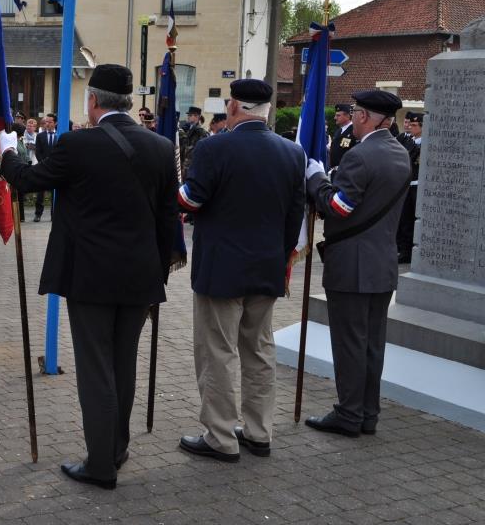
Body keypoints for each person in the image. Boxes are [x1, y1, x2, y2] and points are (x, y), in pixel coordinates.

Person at [0, 63, 179, 490]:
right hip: (139, 277)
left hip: (91, 277)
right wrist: (158, 273)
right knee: (123, 365)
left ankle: (101, 464)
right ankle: (116, 447)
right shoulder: (159, 146)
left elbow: (26, 181)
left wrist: (7, 150)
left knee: (96, 369)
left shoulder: (78, 144)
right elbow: (168, 218)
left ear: (93, 101)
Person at [175, 79, 306, 462]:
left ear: (234, 107)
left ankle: (220, 436)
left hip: (222, 269)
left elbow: (192, 200)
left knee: (218, 352)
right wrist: (279, 255)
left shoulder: (215, 147)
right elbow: (294, 214)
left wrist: (171, 189)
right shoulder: (292, 152)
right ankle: (259, 431)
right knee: (260, 351)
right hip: (267, 266)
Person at [304, 90, 410, 437]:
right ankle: (367, 414)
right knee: (371, 344)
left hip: (352, 265)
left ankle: (348, 414)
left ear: (364, 116)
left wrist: (317, 179)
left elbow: (340, 208)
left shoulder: (362, 155)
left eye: (356, 115)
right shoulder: (399, 152)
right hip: (381, 265)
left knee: (350, 343)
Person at [396, 113, 422, 263]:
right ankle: (404, 250)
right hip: (406, 184)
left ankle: (412, 250)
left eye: (414, 125)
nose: (410, 127)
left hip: (417, 185)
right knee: (404, 219)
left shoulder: (424, 144)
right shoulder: (408, 141)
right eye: (410, 125)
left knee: (414, 219)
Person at [33, 113, 58, 222]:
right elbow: (38, 152)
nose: (47, 124)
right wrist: (44, 164)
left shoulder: (60, 135)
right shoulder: (40, 136)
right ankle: (38, 214)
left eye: (49, 122)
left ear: (55, 123)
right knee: (40, 192)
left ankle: (54, 215)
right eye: (46, 122)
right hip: (43, 168)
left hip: (56, 169)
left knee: (55, 193)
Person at [179, 106, 209, 176]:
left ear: (197, 117)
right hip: (184, 165)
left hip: (193, 167)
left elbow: (201, 149)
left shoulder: (201, 131)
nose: (188, 117)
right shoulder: (187, 129)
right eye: (188, 115)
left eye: (190, 115)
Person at [329, 103, 357, 169]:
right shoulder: (339, 131)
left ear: (347, 116)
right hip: (335, 170)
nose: (335, 118)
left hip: (346, 170)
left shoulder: (354, 131)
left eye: (338, 115)